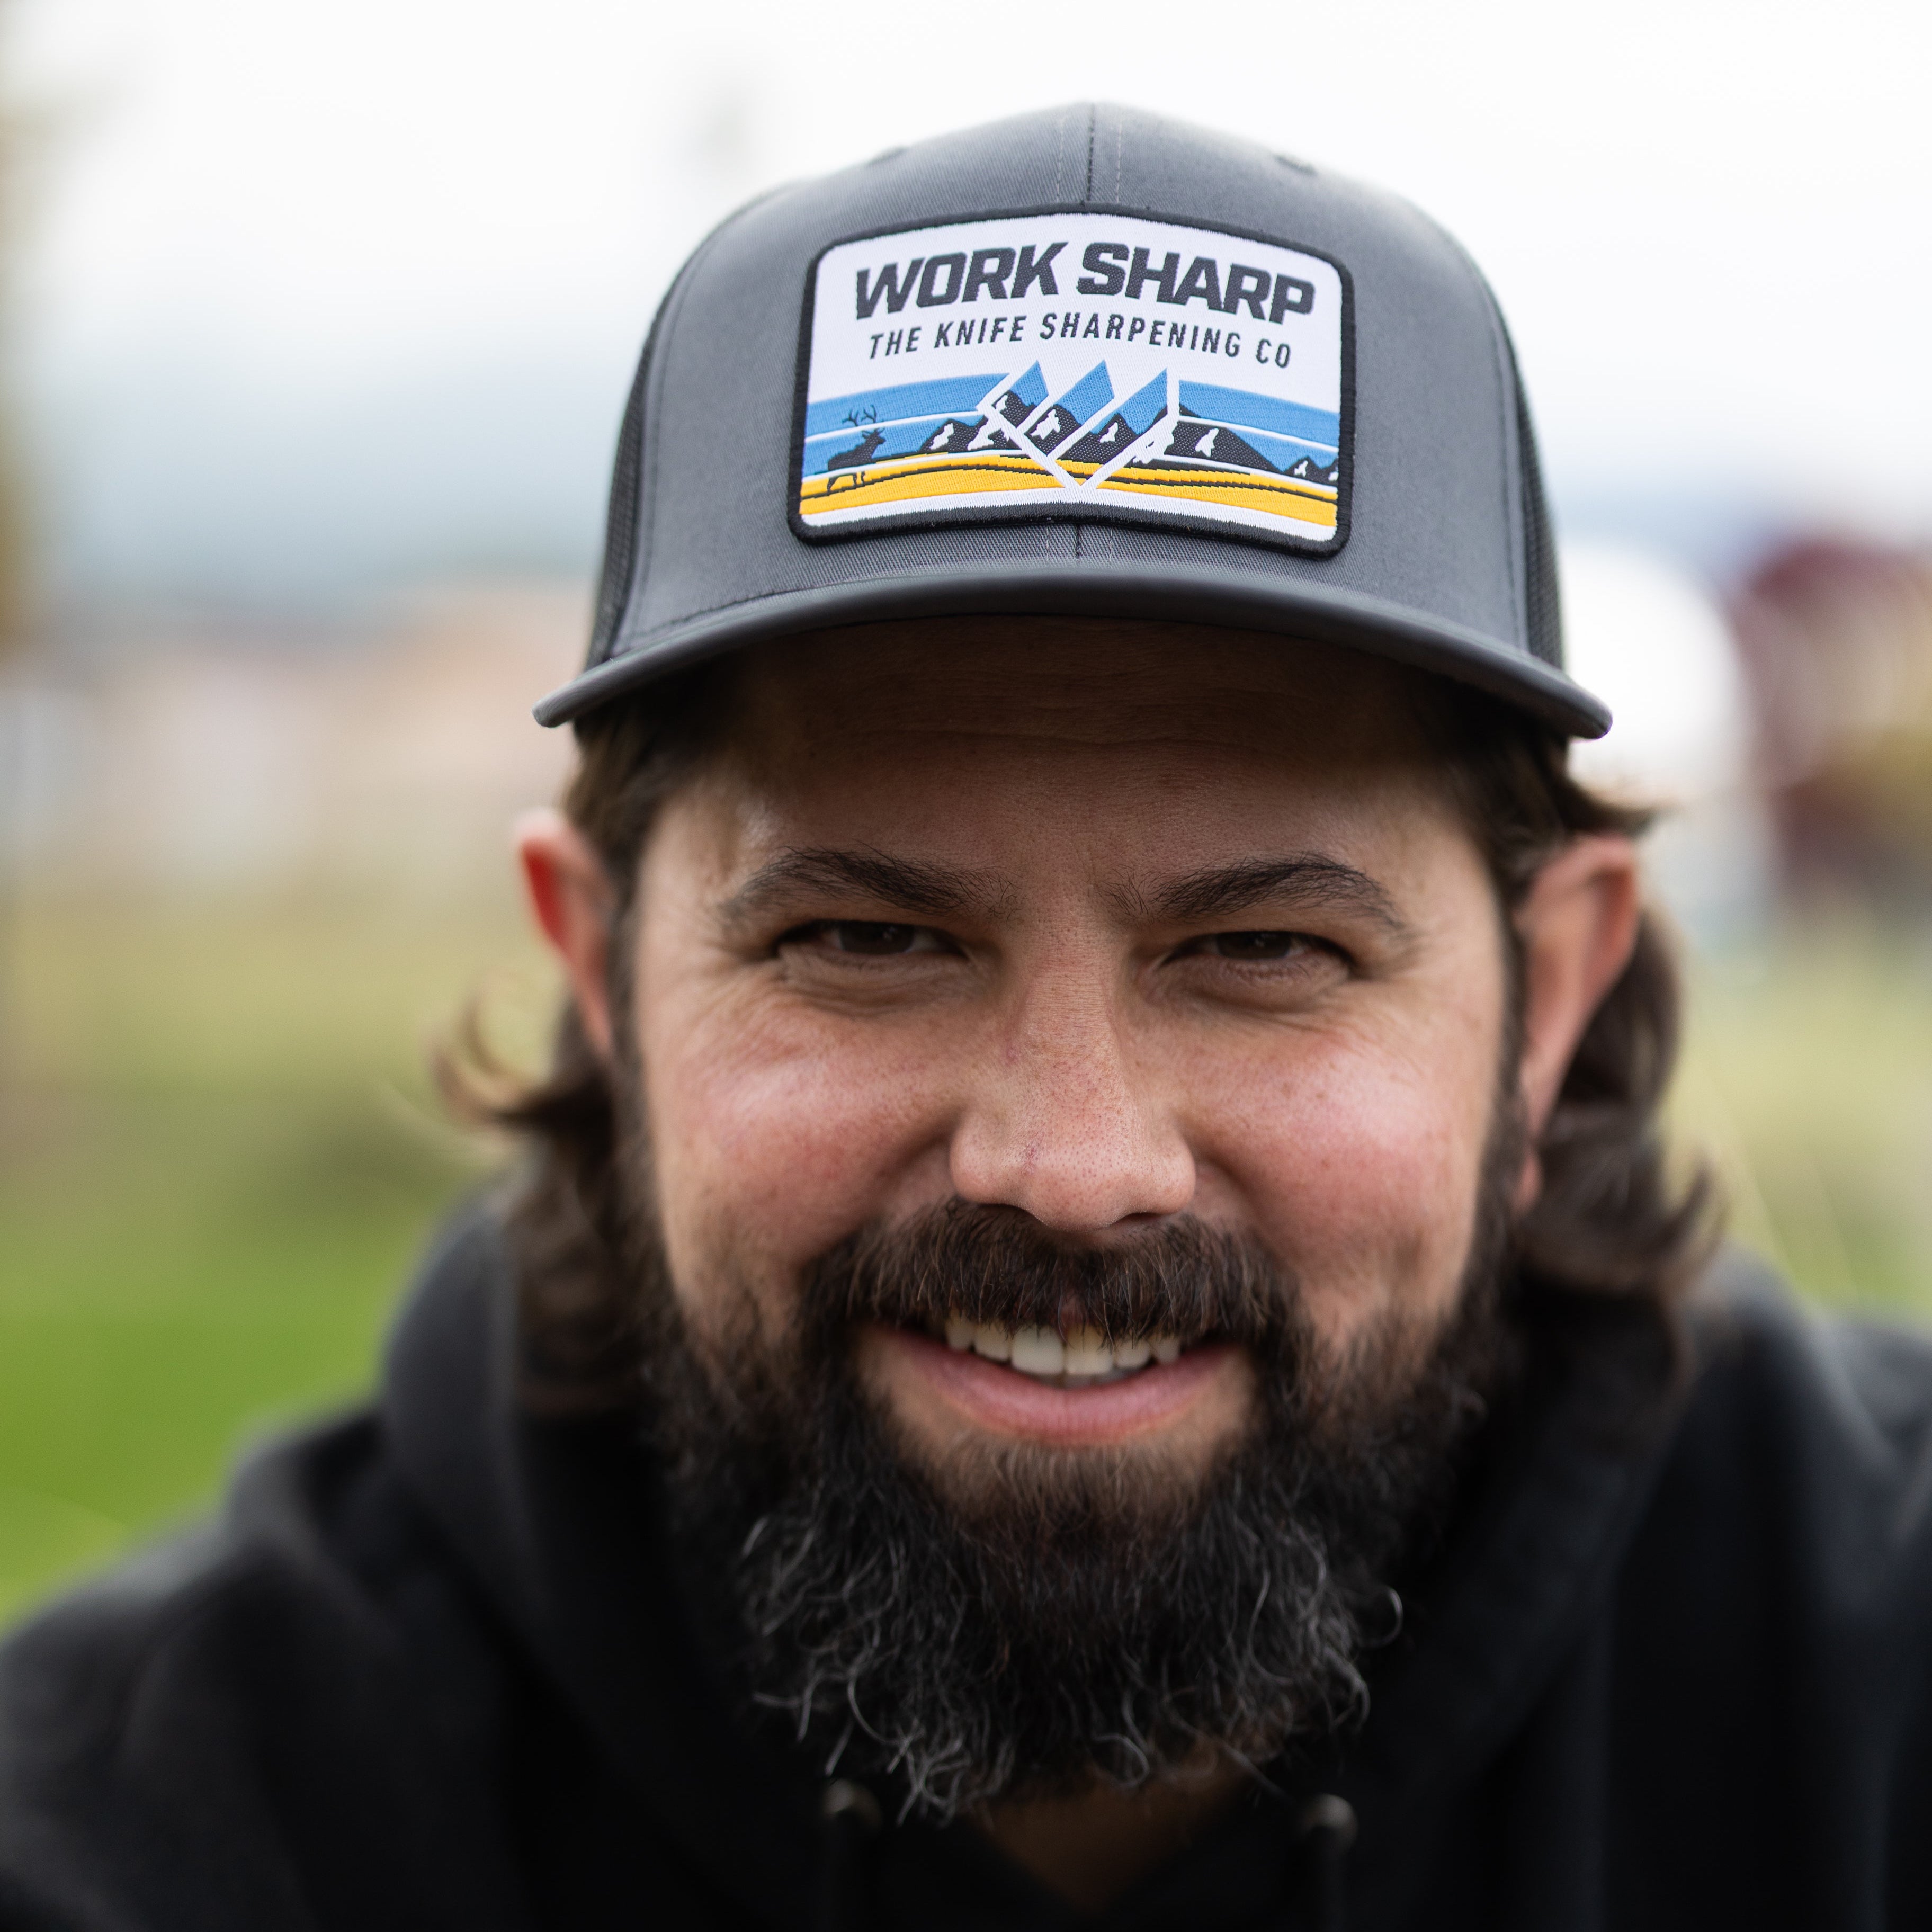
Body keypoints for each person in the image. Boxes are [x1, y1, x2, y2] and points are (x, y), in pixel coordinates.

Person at [3, 103, 1930, 1932]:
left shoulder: (1879, 1711)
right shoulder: (138, 1840)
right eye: (866, 939)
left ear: (1548, 1002)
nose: (1074, 1167)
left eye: (1265, 952)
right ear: (598, 977)